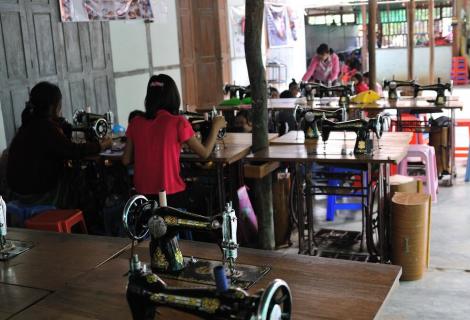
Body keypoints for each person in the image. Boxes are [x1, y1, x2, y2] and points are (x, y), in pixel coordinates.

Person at [122, 74, 226, 206]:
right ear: (173, 97)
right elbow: (205, 153)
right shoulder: (177, 122)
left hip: (142, 196)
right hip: (170, 196)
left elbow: (126, 160)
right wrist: (216, 127)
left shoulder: (136, 122)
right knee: (205, 192)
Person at [6, 82, 112, 205]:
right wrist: (101, 145)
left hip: (16, 194)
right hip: (38, 196)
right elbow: (73, 151)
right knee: (81, 177)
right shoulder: (46, 128)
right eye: (59, 104)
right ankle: (89, 217)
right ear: (53, 107)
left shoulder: (27, 125)